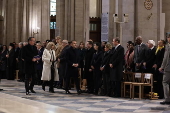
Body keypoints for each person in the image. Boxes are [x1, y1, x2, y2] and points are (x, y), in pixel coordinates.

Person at [159, 35, 170, 104]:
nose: (167, 39)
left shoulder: (168, 46)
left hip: (168, 68)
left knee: (165, 82)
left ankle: (167, 99)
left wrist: (162, 67)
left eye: (168, 37)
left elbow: (166, 58)